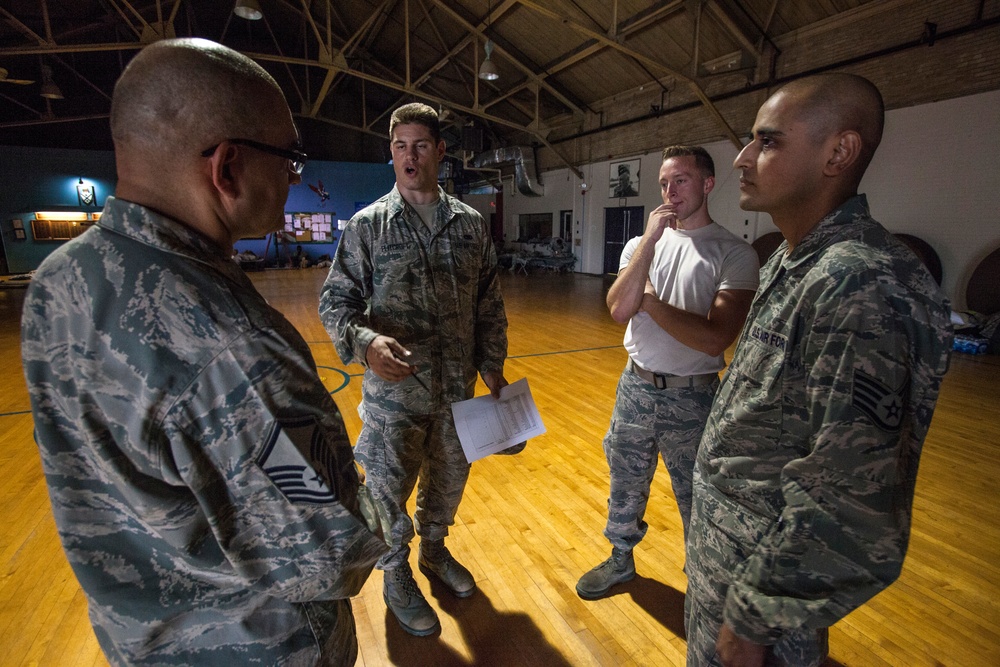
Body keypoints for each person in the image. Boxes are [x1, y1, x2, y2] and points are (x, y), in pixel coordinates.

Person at [20, 38, 388, 666]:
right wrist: (374, 490)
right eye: (290, 159)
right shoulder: (235, 348)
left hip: (139, 641)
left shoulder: (59, 278)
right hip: (260, 647)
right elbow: (327, 557)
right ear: (227, 169)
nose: (294, 176)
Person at [684, 73, 953, 667]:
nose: (743, 160)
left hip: (769, 589)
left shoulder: (860, 281)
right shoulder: (794, 258)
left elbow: (853, 493)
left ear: (839, 152)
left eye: (768, 141)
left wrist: (757, 612)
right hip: (730, 562)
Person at [319, 102, 510, 637]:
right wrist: (366, 341)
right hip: (394, 398)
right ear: (391, 153)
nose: (409, 155)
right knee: (385, 491)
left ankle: (433, 552)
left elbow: (489, 303)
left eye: (420, 145)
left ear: (440, 152)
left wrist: (492, 366)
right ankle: (394, 569)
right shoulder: (368, 226)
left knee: (448, 484)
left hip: (457, 394)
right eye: (400, 146)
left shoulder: (470, 225)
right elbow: (336, 303)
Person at [576, 146, 759, 600]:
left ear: (707, 184)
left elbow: (715, 339)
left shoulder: (734, 254)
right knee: (625, 479)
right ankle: (620, 559)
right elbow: (619, 309)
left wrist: (651, 302)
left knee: (697, 494)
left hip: (692, 398)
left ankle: (703, 576)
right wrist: (650, 244)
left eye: (680, 180)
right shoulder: (640, 246)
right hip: (635, 385)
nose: (670, 192)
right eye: (663, 183)